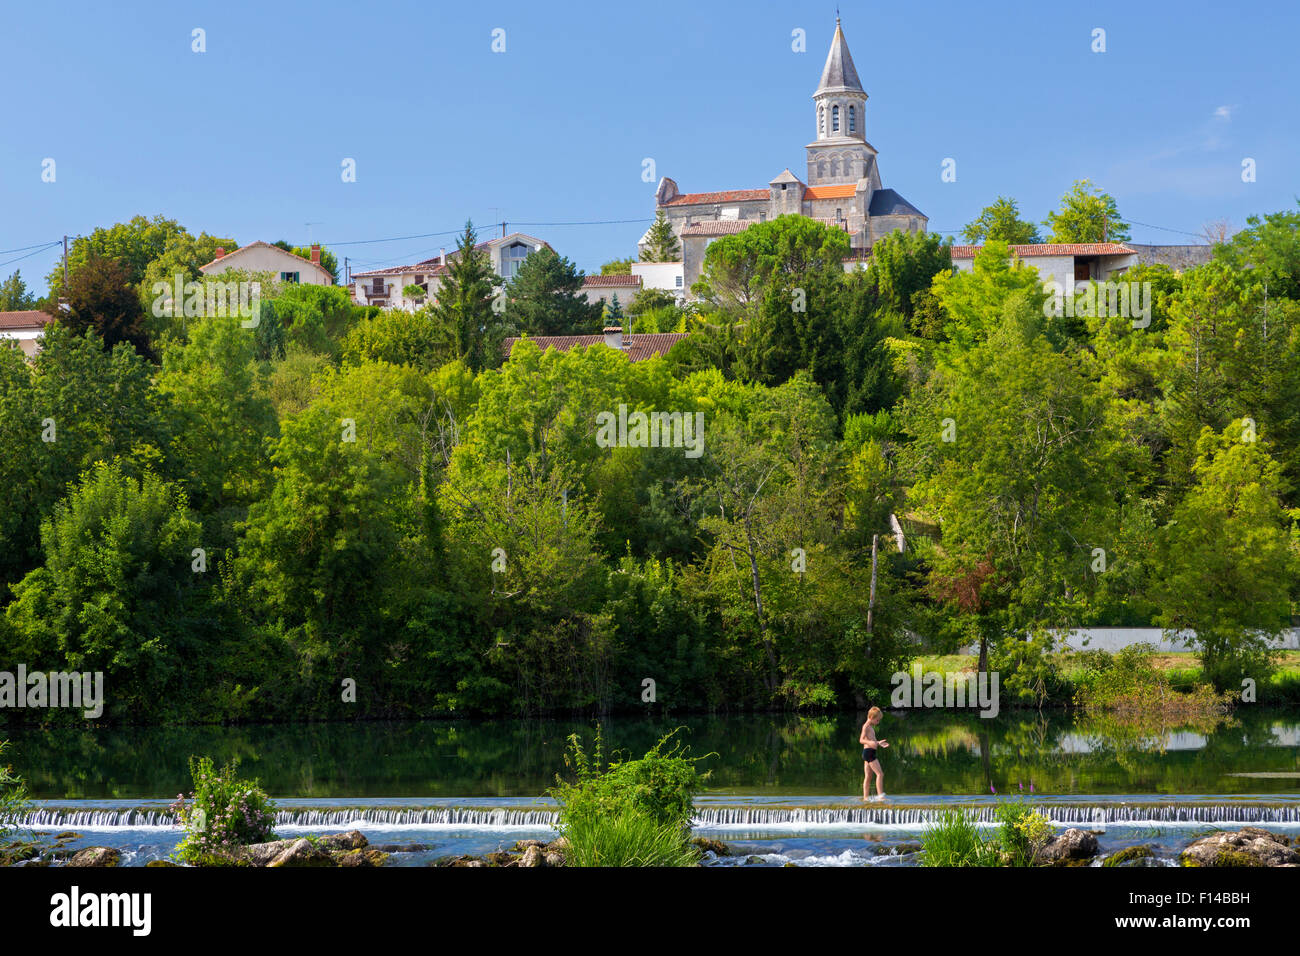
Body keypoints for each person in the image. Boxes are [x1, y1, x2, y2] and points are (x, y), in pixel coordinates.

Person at [860, 706, 889, 801]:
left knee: (868, 776)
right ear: (871, 717)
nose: (878, 722)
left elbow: (873, 740)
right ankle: (881, 796)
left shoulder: (870, 726)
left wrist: (879, 743)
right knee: (880, 774)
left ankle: (865, 797)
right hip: (869, 753)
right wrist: (869, 743)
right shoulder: (866, 726)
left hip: (868, 753)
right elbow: (861, 740)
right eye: (877, 720)